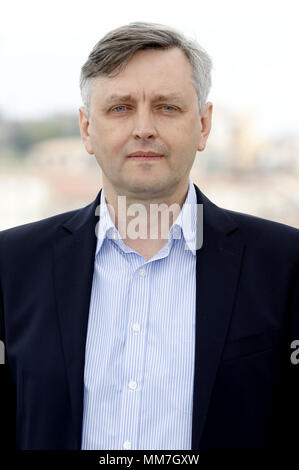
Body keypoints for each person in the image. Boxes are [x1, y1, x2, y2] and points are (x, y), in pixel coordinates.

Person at [0, 21, 299, 451]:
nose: (144, 128)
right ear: (86, 128)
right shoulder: (11, 266)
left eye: (167, 107)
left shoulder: (285, 265)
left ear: (204, 124)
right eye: (120, 108)